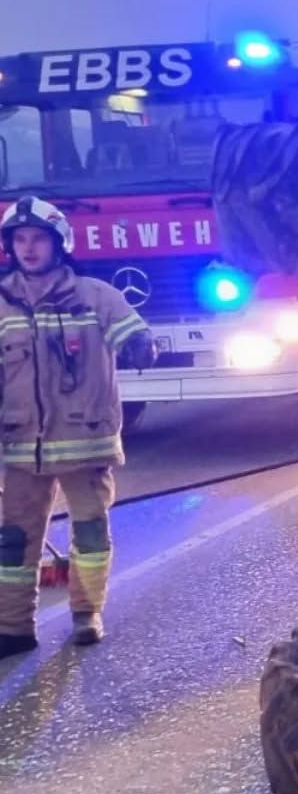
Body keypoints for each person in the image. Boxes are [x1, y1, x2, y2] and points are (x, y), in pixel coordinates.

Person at [0, 196, 154, 658]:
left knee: (89, 534)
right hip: (21, 446)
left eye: (38, 239)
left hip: (85, 442)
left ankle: (87, 614)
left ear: (59, 243)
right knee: (13, 543)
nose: (29, 249)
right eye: (20, 240)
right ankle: (13, 628)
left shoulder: (95, 296)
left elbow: (131, 333)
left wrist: (140, 345)